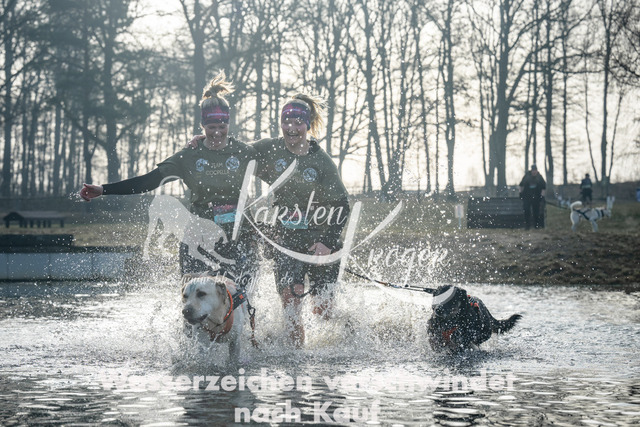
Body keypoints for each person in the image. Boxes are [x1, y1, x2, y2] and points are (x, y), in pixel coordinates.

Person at [79, 72, 258, 280]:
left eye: (222, 127)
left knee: (236, 295)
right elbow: (148, 181)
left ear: (229, 124)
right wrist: (104, 189)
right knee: (195, 292)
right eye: (211, 127)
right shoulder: (188, 156)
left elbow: (282, 159)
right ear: (202, 125)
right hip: (199, 236)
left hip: (239, 237)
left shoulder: (245, 152)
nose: (217, 132)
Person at [253, 94, 350, 347]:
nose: (291, 128)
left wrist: (327, 242)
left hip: (322, 241)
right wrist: (202, 141)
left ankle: (348, 333)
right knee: (291, 302)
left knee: (323, 311)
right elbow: (234, 151)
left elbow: (342, 205)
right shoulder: (270, 149)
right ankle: (295, 359)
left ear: (307, 125)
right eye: (286, 122)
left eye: (298, 123)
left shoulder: (321, 161)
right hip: (286, 240)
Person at [518, 164, 546, 229]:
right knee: (526, 210)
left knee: (536, 211)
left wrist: (542, 196)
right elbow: (521, 185)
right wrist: (520, 193)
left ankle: (536, 225)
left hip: (536, 197)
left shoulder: (540, 177)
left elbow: (543, 188)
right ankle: (527, 225)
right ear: (531, 171)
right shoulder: (526, 176)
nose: (534, 172)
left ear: (537, 171)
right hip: (527, 197)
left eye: (535, 170)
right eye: (533, 170)